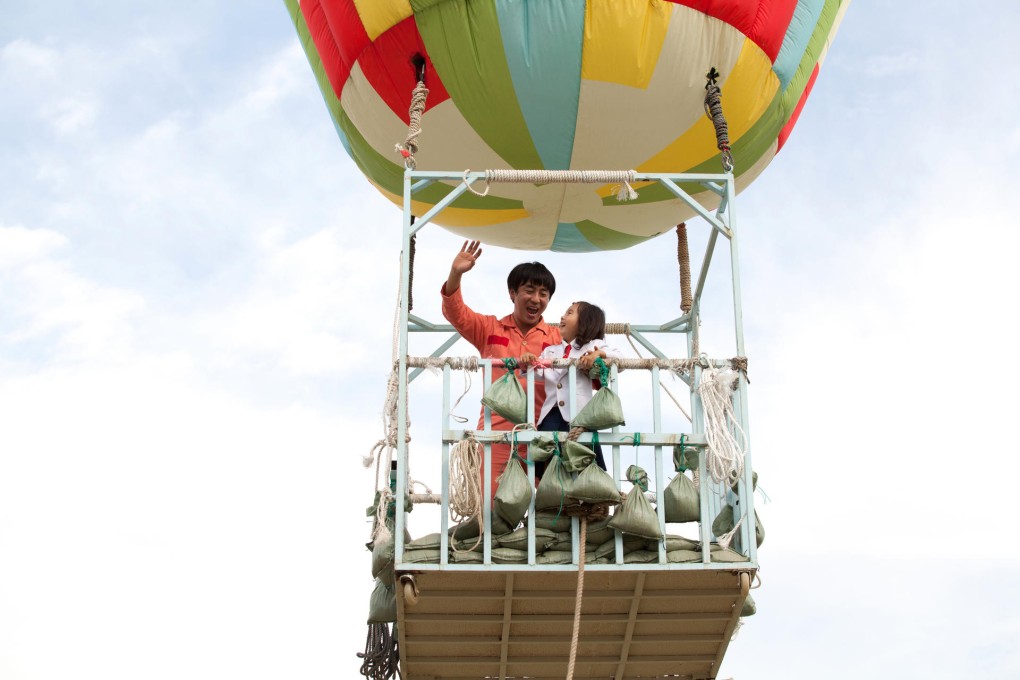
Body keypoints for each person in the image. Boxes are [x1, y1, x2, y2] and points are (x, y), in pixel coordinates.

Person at [441, 240, 561, 497]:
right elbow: (456, 313)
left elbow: (586, 349)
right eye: (529, 290)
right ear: (512, 293)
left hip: (544, 436)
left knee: (549, 517)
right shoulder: (489, 329)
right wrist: (456, 274)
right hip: (496, 435)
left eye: (543, 294)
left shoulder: (557, 338)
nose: (536, 299)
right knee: (491, 508)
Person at [522, 301, 623, 474]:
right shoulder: (551, 351)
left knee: (586, 459)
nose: (562, 317)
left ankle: (589, 493)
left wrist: (599, 355)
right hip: (552, 412)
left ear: (586, 322)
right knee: (548, 458)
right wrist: (528, 362)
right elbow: (536, 372)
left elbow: (619, 359)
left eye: (569, 313)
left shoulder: (593, 346)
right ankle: (552, 488)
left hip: (581, 415)